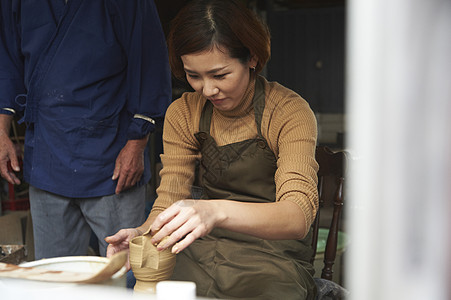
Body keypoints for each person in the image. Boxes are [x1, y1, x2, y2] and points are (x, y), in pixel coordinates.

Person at [106, 0, 319, 298]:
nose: (207, 90)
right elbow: (170, 198)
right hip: (202, 250)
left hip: (272, 258)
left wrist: (215, 211)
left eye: (219, 75)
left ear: (252, 58)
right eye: (194, 76)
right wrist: (144, 233)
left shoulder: (288, 112)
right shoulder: (184, 112)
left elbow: (297, 218)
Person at [0, 0, 172, 259]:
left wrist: (136, 143)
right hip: (48, 153)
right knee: (55, 276)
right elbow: (7, 61)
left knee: (123, 273)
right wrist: (1, 131)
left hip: (112, 155)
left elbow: (149, 61)